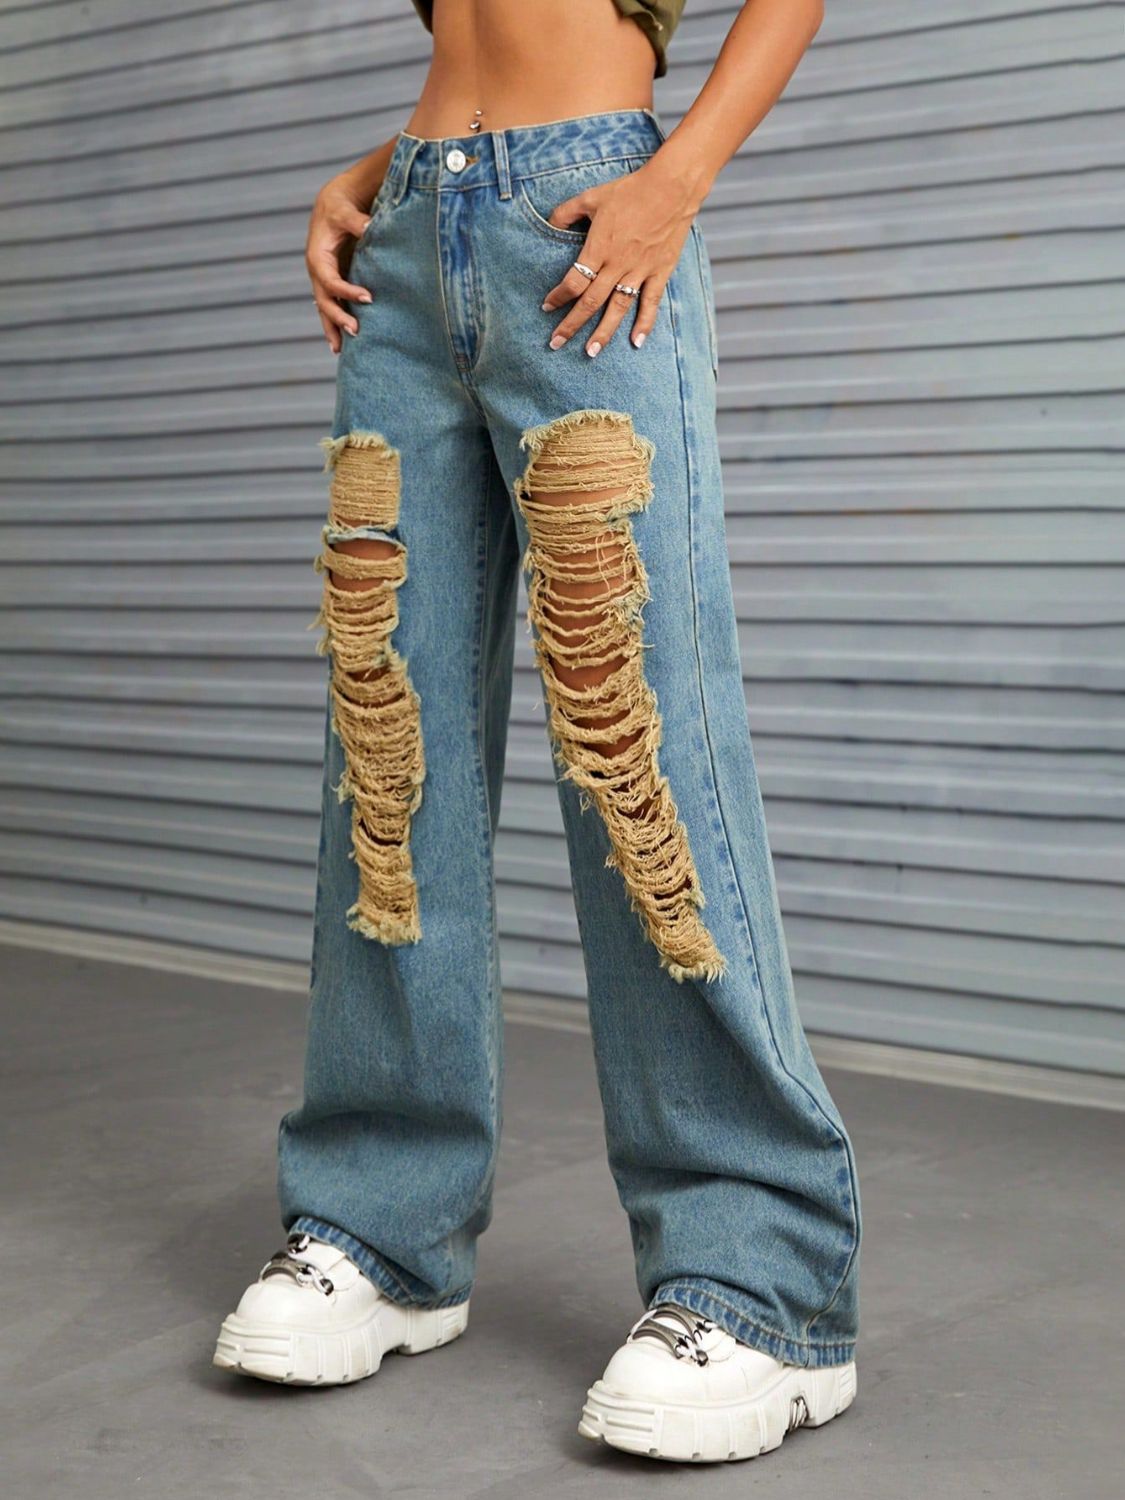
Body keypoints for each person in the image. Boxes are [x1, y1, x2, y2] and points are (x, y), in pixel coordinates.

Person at [213, 0, 861, 1464]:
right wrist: (382, 168)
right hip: (408, 236)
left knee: (636, 742)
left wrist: (675, 177)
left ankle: (759, 1279)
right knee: (386, 753)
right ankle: (381, 1229)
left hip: (581, 229)